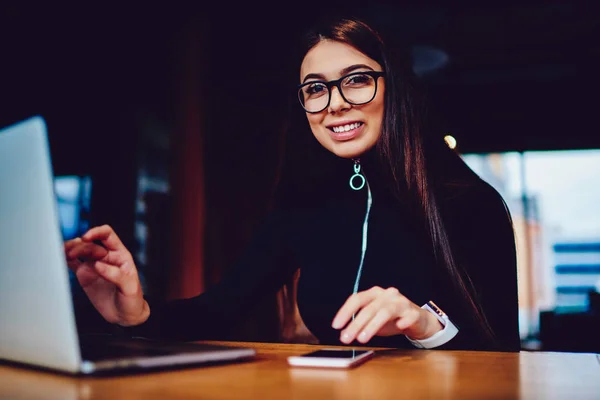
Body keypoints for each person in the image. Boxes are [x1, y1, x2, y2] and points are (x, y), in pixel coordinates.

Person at [65, 16, 520, 351]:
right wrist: (136, 311)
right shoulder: (303, 204)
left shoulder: (471, 203)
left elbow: (504, 358)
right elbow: (220, 309)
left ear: (394, 89)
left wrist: (423, 323)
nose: (335, 105)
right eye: (316, 88)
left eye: (357, 81)